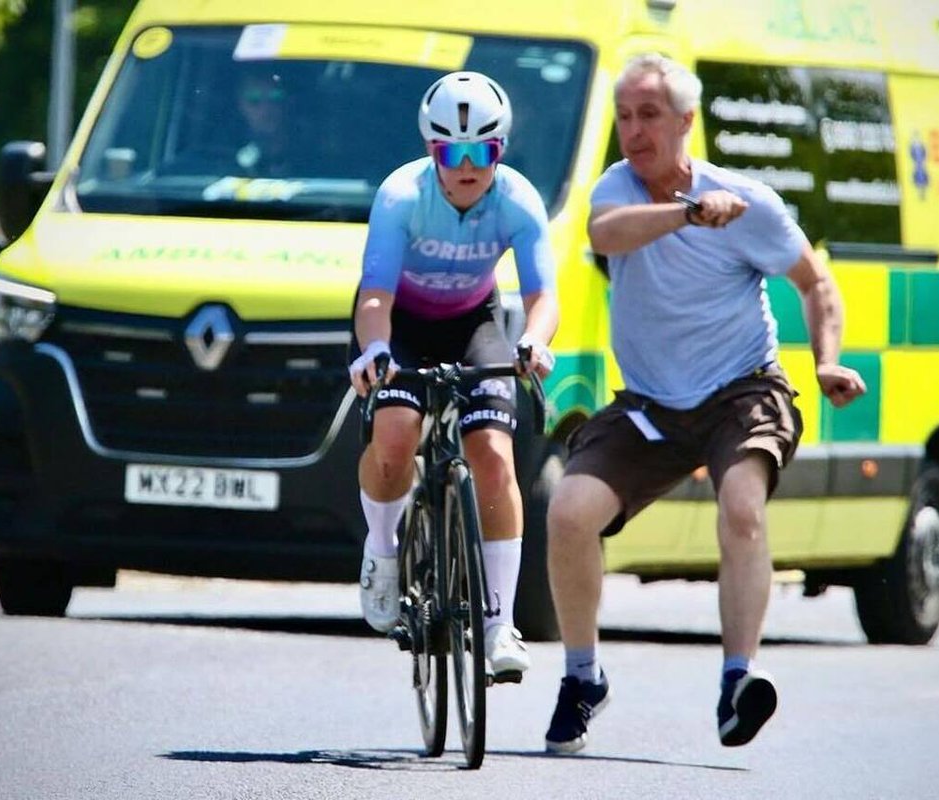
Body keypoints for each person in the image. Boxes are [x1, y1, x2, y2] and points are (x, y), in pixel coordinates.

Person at [542, 54, 866, 753]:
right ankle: (581, 676)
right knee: (569, 514)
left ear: (687, 121)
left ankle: (737, 679)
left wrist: (828, 359)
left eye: (649, 115)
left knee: (743, 508)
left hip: (740, 391)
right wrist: (687, 215)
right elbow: (606, 236)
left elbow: (817, 284)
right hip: (652, 402)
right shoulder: (616, 191)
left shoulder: (748, 201)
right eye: (625, 116)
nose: (634, 130)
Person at [348, 71, 559, 680]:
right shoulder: (400, 196)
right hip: (401, 322)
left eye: (482, 152)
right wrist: (376, 351)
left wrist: (533, 343)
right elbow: (374, 296)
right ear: (431, 151)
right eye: (452, 153)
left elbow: (544, 295)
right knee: (393, 433)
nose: (468, 167)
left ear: (500, 149)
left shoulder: (516, 199)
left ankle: (499, 624)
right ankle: (383, 549)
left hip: (475, 323)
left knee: (494, 452)